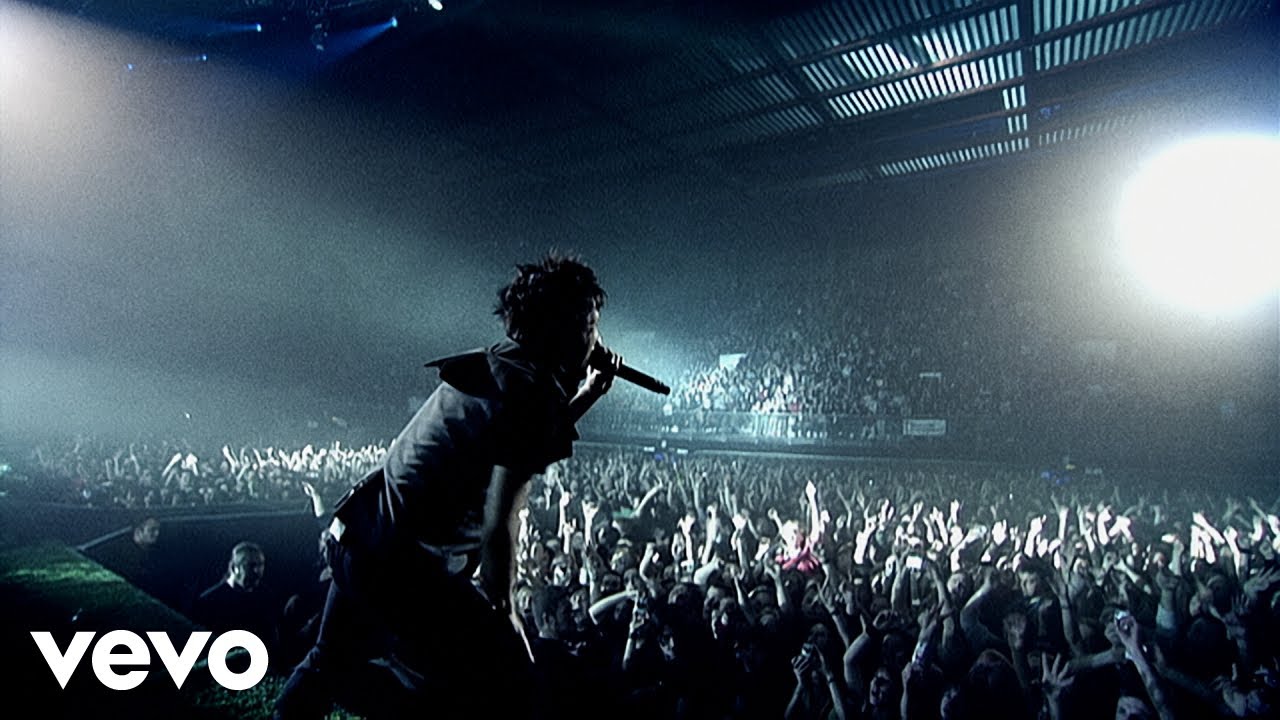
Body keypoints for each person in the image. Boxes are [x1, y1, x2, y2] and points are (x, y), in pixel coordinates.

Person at [274, 253, 621, 719]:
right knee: (504, 681)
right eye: (590, 325)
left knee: (328, 661)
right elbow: (501, 521)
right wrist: (505, 609)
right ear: (562, 327)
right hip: (397, 565)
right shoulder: (531, 394)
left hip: (361, 534)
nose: (596, 340)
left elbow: (518, 440)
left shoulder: (501, 364)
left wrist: (587, 395)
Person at [192, 541, 280, 662]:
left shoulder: (266, 598)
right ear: (234, 567)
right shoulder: (209, 602)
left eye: (260, 565)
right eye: (251, 565)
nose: (257, 571)